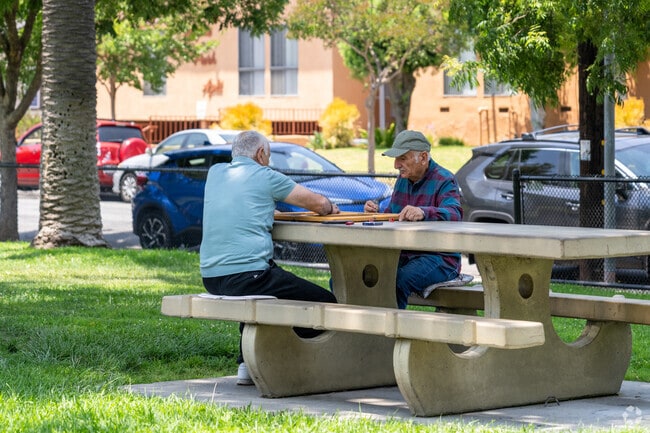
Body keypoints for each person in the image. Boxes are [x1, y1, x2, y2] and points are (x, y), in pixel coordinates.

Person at [200, 130, 339, 385]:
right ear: (261, 154)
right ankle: (286, 357)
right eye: (269, 155)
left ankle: (246, 363)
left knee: (262, 292)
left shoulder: (216, 173)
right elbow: (318, 204)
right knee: (326, 302)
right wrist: (330, 207)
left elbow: (244, 202)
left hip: (211, 277)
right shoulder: (265, 175)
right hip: (248, 275)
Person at [364, 130, 463, 309]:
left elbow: (455, 214)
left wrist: (424, 213)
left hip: (441, 259)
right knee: (361, 275)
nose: (396, 165)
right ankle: (363, 329)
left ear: (423, 157)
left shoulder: (445, 179)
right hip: (405, 254)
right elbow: (392, 216)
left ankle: (392, 333)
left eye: (402, 158)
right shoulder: (403, 179)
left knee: (396, 282)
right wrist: (375, 212)